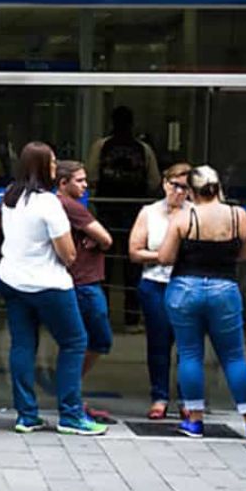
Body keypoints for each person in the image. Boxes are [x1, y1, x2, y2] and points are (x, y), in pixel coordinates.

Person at [0, 142, 107, 436]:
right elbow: (68, 254)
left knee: (22, 345)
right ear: (43, 167)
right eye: (53, 163)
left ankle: (26, 415)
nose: (56, 168)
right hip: (47, 283)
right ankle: (70, 415)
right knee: (74, 342)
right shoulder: (48, 203)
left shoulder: (10, 196)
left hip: (12, 279)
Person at [157, 165, 246, 442]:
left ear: (192, 191)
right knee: (234, 355)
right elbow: (244, 254)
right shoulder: (238, 216)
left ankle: (195, 421)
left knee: (189, 354)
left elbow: (164, 257)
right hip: (225, 288)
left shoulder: (185, 218)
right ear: (218, 186)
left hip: (185, 288)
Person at [87, 106, 162, 327]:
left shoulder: (101, 146)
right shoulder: (143, 149)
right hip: (134, 213)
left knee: (105, 266)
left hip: (106, 212)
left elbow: (91, 176)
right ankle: (131, 317)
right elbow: (154, 181)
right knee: (133, 267)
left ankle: (102, 315)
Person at [54, 160, 116, 425]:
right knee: (96, 339)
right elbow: (106, 238)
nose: (85, 185)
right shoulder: (70, 207)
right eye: (79, 180)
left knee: (80, 341)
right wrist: (98, 239)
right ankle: (70, 394)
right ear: (63, 183)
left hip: (78, 281)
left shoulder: (58, 205)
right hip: (83, 282)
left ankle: (72, 393)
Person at [129, 163, 192, 420]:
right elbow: (134, 251)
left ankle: (188, 399)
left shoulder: (195, 213)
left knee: (188, 344)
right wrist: (163, 257)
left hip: (186, 283)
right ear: (164, 183)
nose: (178, 191)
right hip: (155, 282)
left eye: (184, 187)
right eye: (173, 184)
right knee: (159, 342)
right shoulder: (149, 212)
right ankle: (160, 397)